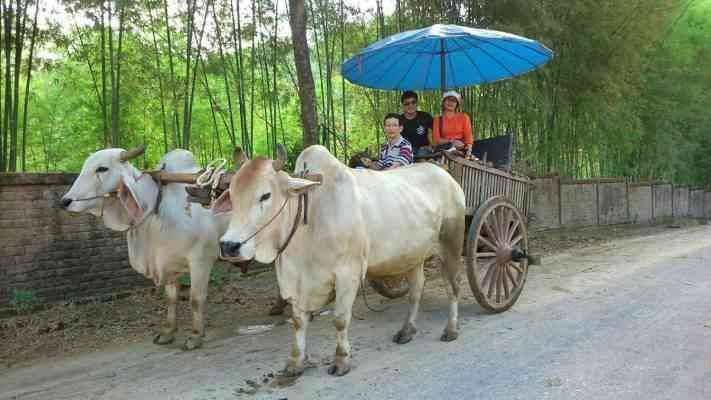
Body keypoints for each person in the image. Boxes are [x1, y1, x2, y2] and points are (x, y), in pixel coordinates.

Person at [432, 90, 473, 155]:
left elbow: (468, 138)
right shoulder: (437, 119)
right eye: (448, 100)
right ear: (443, 102)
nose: (450, 103)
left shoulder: (464, 117)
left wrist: (469, 151)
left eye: (453, 101)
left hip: (461, 150)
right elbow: (436, 140)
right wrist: (452, 142)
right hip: (443, 150)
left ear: (457, 104)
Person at [399, 90, 433, 157]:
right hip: (406, 151)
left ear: (417, 103)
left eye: (413, 102)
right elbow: (395, 139)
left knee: (422, 156)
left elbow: (433, 134)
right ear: (402, 105)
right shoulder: (399, 120)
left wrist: (431, 146)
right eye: (407, 103)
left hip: (424, 150)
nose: (410, 105)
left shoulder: (425, 116)